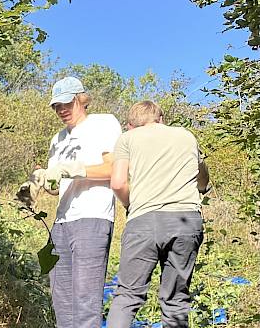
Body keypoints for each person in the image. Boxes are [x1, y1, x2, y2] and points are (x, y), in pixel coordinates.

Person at [106, 101, 209, 328]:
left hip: (143, 221)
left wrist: (130, 206)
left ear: (131, 125)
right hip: (185, 221)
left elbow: (118, 182)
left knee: (127, 297)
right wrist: (201, 189)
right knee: (176, 300)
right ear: (161, 118)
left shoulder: (127, 139)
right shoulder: (185, 135)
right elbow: (202, 175)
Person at [29, 77, 122, 328]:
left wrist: (76, 168)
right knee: (62, 300)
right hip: (62, 221)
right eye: (56, 106)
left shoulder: (104, 123)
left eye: (66, 103)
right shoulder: (57, 139)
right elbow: (55, 187)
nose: (61, 110)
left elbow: (114, 168)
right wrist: (41, 181)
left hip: (92, 218)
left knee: (85, 299)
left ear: (81, 99)